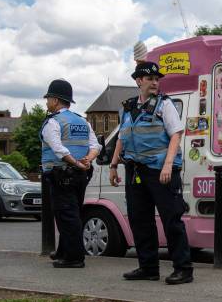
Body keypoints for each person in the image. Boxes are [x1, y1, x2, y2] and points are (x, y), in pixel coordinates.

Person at [109, 61, 193, 285]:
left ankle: (183, 269)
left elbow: (176, 134)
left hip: (161, 170)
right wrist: (113, 165)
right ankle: (148, 268)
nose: (155, 82)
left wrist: (167, 165)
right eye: (150, 79)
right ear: (139, 81)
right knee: (140, 220)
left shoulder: (165, 105)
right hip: (135, 170)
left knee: (171, 219)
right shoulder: (127, 108)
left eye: (157, 79)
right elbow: (122, 137)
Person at [41, 79, 100, 268]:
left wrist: (76, 163)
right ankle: (63, 251)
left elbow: (58, 149)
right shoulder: (82, 121)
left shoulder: (53, 122)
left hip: (60, 174)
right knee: (73, 212)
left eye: (48, 98)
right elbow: (95, 145)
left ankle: (74, 257)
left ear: (56, 100)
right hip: (80, 176)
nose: (47, 102)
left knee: (67, 216)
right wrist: (87, 160)